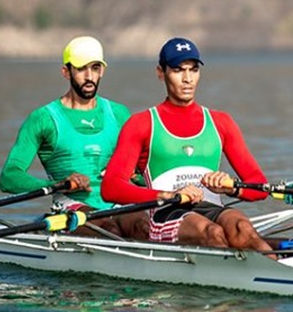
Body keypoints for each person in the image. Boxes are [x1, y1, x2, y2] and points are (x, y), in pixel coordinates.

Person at [100, 37, 273, 254]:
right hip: (166, 213)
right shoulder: (141, 124)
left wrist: (231, 187)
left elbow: (259, 185)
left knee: (243, 228)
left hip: (211, 208)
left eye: (193, 70)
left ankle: (284, 277)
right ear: (161, 73)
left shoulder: (221, 122)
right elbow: (111, 187)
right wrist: (165, 194)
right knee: (212, 233)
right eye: (178, 70)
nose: (187, 79)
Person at [0, 35, 147, 239]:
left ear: (102, 70)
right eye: (81, 68)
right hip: (71, 205)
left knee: (144, 228)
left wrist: (134, 175)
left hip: (118, 200)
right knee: (108, 232)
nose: (89, 76)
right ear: (66, 72)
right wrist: (58, 184)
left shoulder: (119, 114)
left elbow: (142, 169)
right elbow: (9, 177)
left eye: (95, 68)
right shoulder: (43, 119)